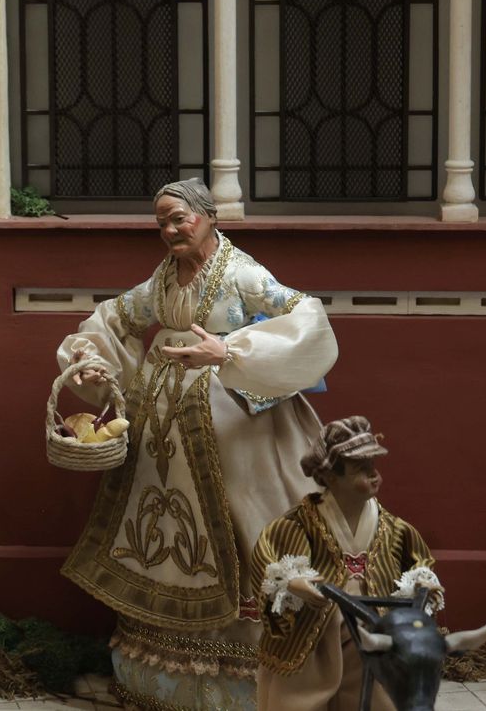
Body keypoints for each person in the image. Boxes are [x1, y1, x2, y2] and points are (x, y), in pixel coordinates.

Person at [57, 178, 337, 711]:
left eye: (178, 218)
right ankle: (161, 673)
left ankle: (253, 674)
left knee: (244, 519)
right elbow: (115, 316)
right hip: (162, 431)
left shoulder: (242, 272)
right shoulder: (163, 278)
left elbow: (305, 314)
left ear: (208, 216)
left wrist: (232, 350)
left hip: (235, 425)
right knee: (166, 526)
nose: (169, 229)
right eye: (161, 221)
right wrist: (90, 355)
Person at [252, 417, 441, 711]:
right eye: (361, 470)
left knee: (375, 690)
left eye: (374, 468)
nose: (374, 476)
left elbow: (417, 561)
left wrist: (421, 582)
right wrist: (295, 583)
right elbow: (272, 558)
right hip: (319, 626)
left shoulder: (392, 527)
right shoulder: (301, 523)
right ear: (330, 477)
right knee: (303, 691)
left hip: (373, 618)